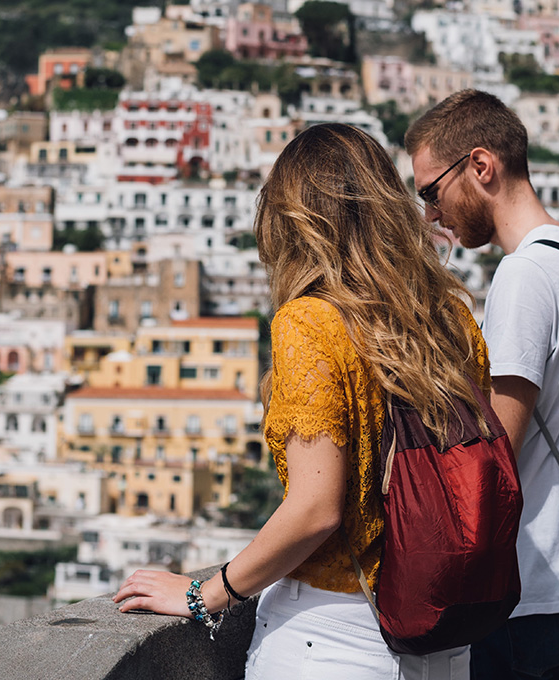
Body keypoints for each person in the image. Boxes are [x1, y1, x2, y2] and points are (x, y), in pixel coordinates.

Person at [113, 122, 491, 679]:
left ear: (295, 221)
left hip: (329, 637)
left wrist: (204, 593)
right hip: (442, 638)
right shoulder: (450, 318)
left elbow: (315, 510)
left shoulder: (310, 324)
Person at [404, 89, 559, 680]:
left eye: (430, 191)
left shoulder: (523, 275)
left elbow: (495, 453)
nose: (431, 213)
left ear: (480, 166)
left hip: (521, 588)